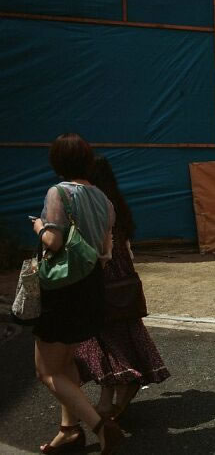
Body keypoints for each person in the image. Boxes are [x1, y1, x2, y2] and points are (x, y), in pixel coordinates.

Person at [31, 133, 125, 453]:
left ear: (57, 163)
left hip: (63, 289)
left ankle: (102, 427)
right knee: (67, 361)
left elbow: (54, 243)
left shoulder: (58, 193)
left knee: (45, 370)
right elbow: (105, 248)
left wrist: (39, 227)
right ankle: (69, 431)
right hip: (91, 287)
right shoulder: (103, 198)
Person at [75, 156, 170, 420]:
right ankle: (117, 397)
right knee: (123, 334)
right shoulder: (117, 203)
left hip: (101, 279)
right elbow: (126, 246)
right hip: (123, 281)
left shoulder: (91, 206)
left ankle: (109, 400)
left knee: (101, 337)